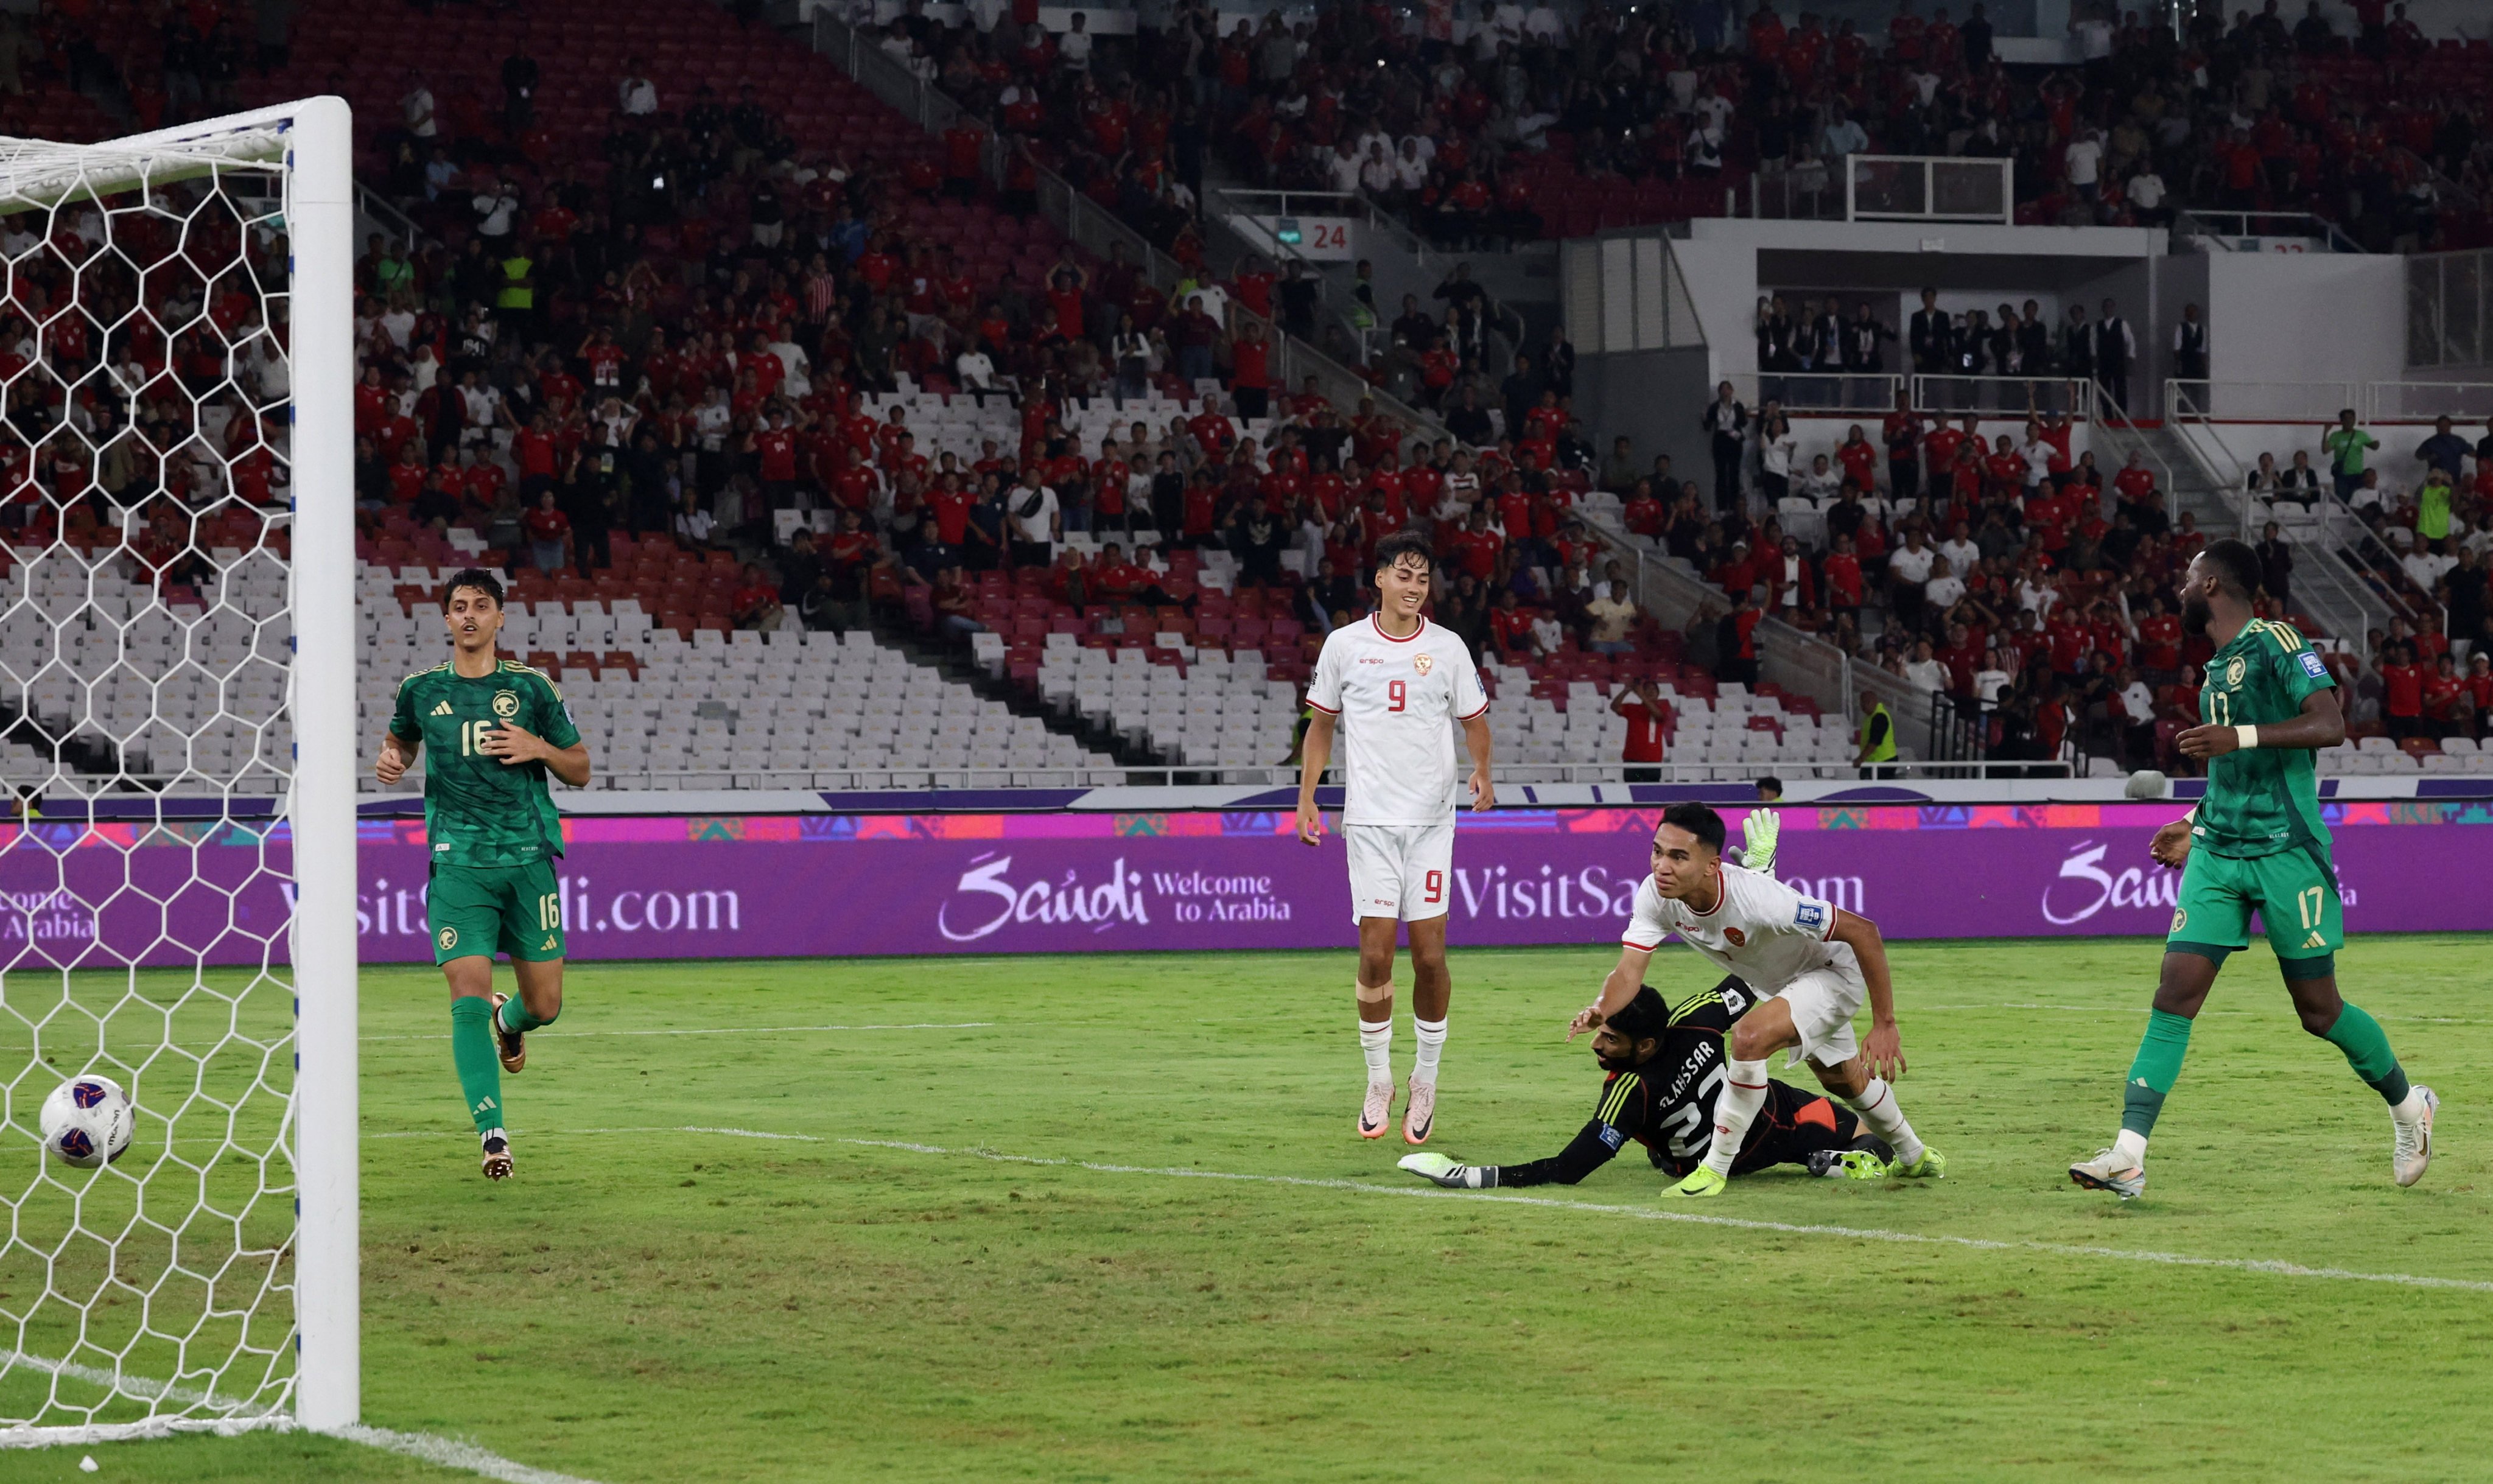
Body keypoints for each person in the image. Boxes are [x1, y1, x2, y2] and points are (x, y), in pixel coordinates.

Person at [2069, 541, 2436, 1200]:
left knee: (2318, 1011)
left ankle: (2411, 1107)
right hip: (2220, 853)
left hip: (2286, 851)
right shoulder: (2218, 667)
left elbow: (2330, 725)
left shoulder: (2277, 639)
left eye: (2185, 580)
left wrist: (2237, 737)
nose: (2177, 590)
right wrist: (2199, 823)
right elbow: (2237, 771)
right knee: (2175, 992)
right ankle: (2128, 1154)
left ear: (2211, 583)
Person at [1563, 803, 1940, 1198]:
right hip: (1782, 984)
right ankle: (1915, 1156)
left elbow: (1863, 932)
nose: (1662, 866)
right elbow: (1627, 973)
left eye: (1678, 856)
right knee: (1844, 1082)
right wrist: (1601, 1008)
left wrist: (1884, 1024)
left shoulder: (1761, 901)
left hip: (1829, 972)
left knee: (1748, 1037)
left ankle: (1714, 1168)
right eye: (1657, 851)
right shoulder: (1654, 897)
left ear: (1711, 865)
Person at [373, 569, 591, 1182]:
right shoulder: (420, 690)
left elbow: (581, 769)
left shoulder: (532, 688)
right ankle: (493, 1135)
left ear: (500, 618)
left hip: (526, 862)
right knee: (464, 992)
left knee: (545, 1005)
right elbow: (400, 743)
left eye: (481, 606)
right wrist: (393, 760)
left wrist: (538, 747)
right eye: (459, 606)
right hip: (457, 862)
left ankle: (510, 1021)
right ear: (446, 619)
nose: (469, 615)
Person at [1297, 531, 1495, 1146]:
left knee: (1430, 956)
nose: (1415, 587)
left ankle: (1426, 1078)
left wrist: (1482, 769)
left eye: (1423, 578)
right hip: (1371, 823)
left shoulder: (1449, 647)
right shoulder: (1345, 645)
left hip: (1433, 822)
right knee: (1377, 954)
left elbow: (1475, 722)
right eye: (1404, 575)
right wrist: (1307, 796)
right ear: (1380, 578)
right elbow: (1321, 726)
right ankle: (1379, 1078)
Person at [1398, 981, 1895, 1191]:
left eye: (1610, 1038)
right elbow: (1752, 980)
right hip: (1775, 1120)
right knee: (1866, 1136)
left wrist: (1469, 1174)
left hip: (1711, 1162)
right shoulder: (1694, 1018)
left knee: (1664, 1159)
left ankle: (1823, 1162)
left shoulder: (1626, 1094)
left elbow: (1568, 1169)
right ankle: (1827, 1163)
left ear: (1645, 1047)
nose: (1596, 1045)